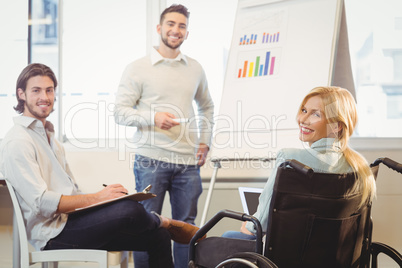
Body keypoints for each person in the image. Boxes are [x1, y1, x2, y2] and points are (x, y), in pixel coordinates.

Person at [0, 63, 204, 268]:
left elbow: (72, 192)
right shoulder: (18, 141)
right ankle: (165, 221)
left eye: (49, 90)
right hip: (52, 235)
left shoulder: (51, 138)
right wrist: (98, 198)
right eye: (36, 90)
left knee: (156, 234)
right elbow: (42, 202)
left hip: (70, 221)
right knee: (129, 211)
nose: (44, 97)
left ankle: (160, 224)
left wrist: (104, 200)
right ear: (21, 94)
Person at [113, 4, 214, 267]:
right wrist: (153, 117)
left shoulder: (195, 68)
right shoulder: (137, 68)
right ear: (159, 28)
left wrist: (205, 141)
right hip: (150, 159)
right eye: (170, 24)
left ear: (187, 33)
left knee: (186, 228)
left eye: (181, 26)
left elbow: (207, 106)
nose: (175, 30)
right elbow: (120, 112)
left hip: (187, 163)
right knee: (147, 225)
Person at [223, 86, 377, 239]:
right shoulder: (359, 167)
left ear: (336, 126)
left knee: (227, 237)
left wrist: (249, 226)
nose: (302, 120)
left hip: (287, 254)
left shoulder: (290, 159)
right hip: (330, 256)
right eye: (304, 111)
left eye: (316, 114)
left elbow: (260, 224)